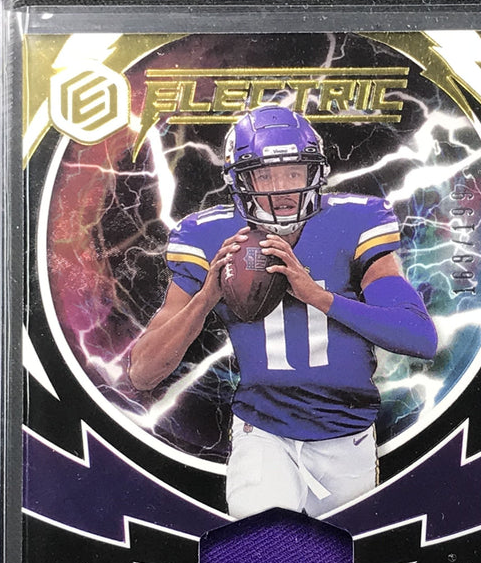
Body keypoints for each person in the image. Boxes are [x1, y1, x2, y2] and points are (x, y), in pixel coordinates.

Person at [130, 105, 437, 518]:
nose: (282, 189)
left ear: (315, 172)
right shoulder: (208, 236)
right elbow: (143, 372)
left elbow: (420, 338)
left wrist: (320, 297)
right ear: (240, 181)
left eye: (294, 173)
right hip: (263, 431)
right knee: (265, 545)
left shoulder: (356, 221)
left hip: (347, 433)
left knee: (346, 553)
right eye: (266, 175)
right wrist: (206, 297)